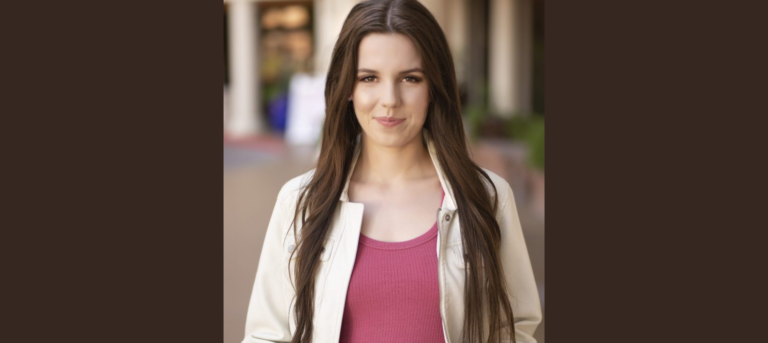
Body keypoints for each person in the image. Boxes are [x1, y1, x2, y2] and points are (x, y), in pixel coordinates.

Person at [242, 0, 541, 342]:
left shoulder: (487, 198)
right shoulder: (300, 202)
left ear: (434, 89)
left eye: (410, 78)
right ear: (347, 89)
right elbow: (268, 335)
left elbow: (514, 329)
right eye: (369, 77)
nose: (389, 99)